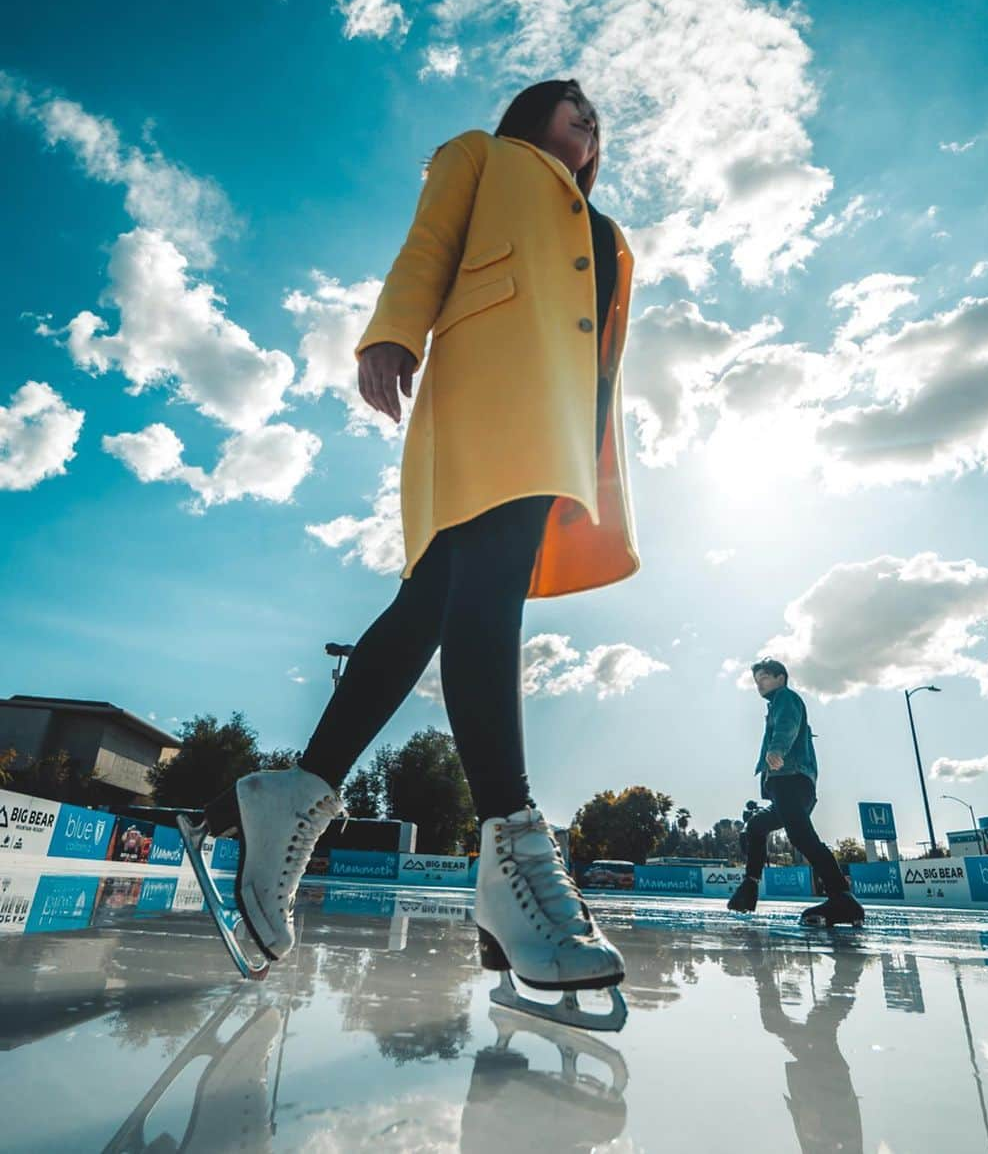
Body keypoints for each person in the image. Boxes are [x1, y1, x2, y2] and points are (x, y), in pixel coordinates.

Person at [179, 80, 639, 1026]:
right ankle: (511, 853)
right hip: (488, 392)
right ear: (530, 115)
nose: (591, 124)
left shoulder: (604, 229)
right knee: (479, 594)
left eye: (600, 119)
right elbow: (430, 241)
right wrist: (390, 330)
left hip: (556, 427)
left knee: (434, 603)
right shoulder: (483, 155)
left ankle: (292, 795)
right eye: (574, 106)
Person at [727, 659, 864, 927]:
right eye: (756, 681)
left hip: (789, 778)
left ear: (781, 678)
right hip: (790, 784)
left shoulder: (785, 698)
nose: (760, 684)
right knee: (756, 827)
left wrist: (777, 749)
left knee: (801, 836)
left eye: (764, 677)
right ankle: (750, 887)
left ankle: (842, 898)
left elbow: (786, 725)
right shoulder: (779, 701)